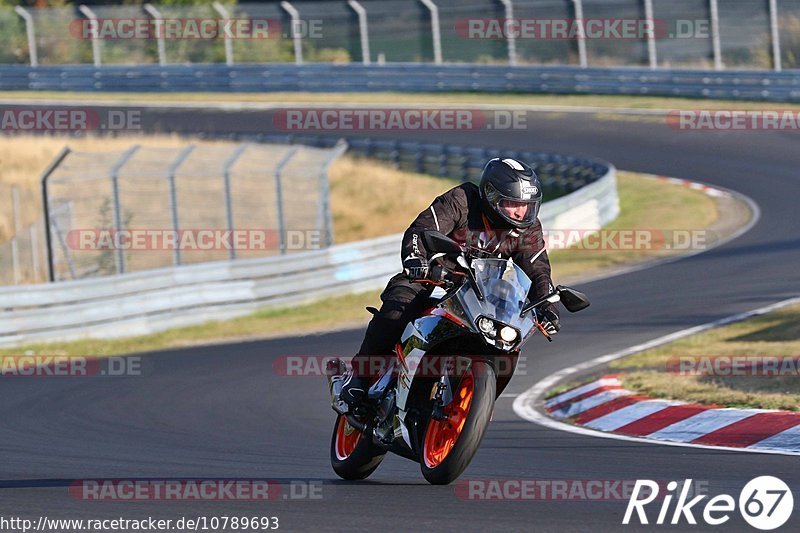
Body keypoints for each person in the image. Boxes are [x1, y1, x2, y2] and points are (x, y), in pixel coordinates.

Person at [341, 157, 560, 406]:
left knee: (508, 342)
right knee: (396, 310)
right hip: (430, 280)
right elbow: (421, 231)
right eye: (513, 204)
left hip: (482, 296)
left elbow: (537, 270)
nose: (522, 212)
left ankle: (475, 402)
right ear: (491, 195)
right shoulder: (462, 200)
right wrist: (416, 259)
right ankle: (358, 377)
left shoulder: (528, 229)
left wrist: (547, 306)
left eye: (527, 205)